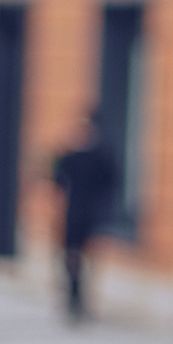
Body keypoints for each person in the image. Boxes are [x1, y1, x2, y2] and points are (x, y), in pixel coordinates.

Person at [51, 117, 119, 322]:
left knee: (87, 259)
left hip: (89, 215)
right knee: (72, 257)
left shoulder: (96, 157)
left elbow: (110, 181)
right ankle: (73, 298)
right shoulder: (72, 158)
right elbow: (58, 181)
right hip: (76, 214)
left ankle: (82, 299)